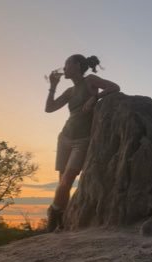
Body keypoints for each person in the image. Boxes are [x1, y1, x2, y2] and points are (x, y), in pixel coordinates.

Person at [45, 54, 120, 232]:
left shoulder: (90, 81)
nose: (64, 68)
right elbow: (49, 108)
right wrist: (53, 87)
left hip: (82, 140)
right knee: (63, 184)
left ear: (78, 65)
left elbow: (115, 87)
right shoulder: (69, 91)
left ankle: (54, 211)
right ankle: (62, 217)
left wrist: (95, 97)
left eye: (67, 64)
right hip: (64, 138)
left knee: (67, 180)